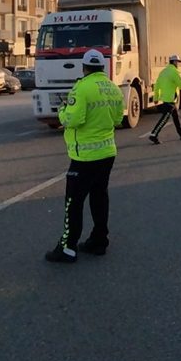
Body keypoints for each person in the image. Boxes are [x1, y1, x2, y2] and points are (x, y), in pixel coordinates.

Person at [45, 48, 125, 264]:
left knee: (74, 201)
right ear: (103, 67)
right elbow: (118, 119)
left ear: (84, 67)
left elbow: (71, 120)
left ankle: (68, 247)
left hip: (85, 157)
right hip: (107, 152)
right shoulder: (113, 88)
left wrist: (62, 110)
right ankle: (99, 240)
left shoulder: (81, 88)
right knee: (100, 197)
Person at [148, 54, 181, 144]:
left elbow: (157, 85)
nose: (178, 64)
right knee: (164, 119)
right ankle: (153, 134)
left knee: (176, 117)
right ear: (174, 62)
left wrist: (156, 97)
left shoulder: (163, 71)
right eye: (178, 62)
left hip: (166, 99)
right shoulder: (175, 72)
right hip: (169, 100)